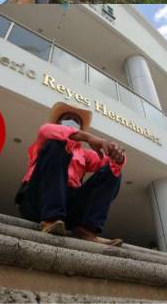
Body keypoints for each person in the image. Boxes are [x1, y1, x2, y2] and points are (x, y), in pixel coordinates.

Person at [16, 102, 126, 246]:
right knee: (56, 145)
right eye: (67, 118)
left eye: (76, 121)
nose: (72, 122)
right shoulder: (48, 138)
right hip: (37, 201)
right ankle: (50, 219)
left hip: (68, 211)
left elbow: (111, 164)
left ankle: (87, 230)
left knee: (114, 170)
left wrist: (117, 154)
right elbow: (45, 130)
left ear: (80, 128)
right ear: (58, 123)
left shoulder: (84, 154)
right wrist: (89, 138)